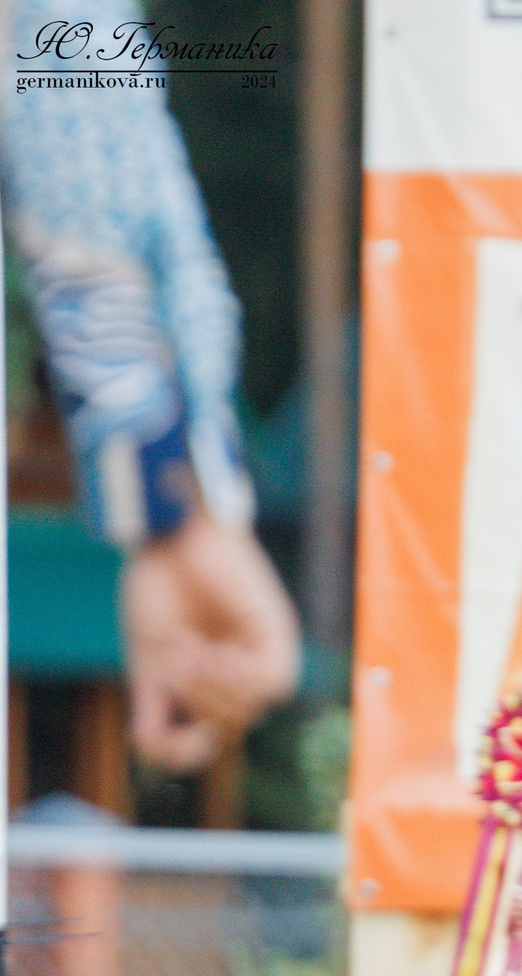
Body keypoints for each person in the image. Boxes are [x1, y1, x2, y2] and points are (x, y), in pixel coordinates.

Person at [3, 0, 301, 772]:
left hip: (119, 330)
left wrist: (187, 693)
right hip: (129, 336)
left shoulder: (168, 532)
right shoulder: (190, 517)